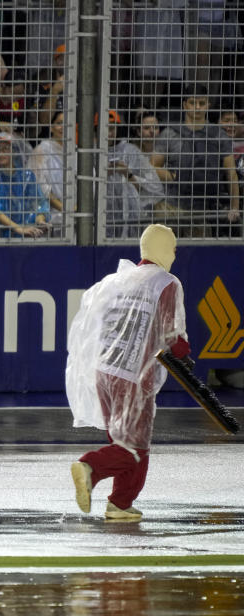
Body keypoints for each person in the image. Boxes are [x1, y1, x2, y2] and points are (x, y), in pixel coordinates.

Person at [66, 224, 190, 522]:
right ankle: (90, 467)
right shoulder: (166, 282)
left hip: (103, 370)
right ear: (163, 249)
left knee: (125, 442)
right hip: (133, 375)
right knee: (134, 447)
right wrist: (184, 355)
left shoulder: (120, 280)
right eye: (172, 247)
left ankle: (120, 503)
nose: (174, 253)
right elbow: (172, 333)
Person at [156, 85, 241, 236]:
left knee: (198, 255)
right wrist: (175, 177)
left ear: (208, 105)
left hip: (203, 210)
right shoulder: (170, 133)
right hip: (171, 206)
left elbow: (231, 174)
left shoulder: (218, 135)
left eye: (202, 103)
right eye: (192, 102)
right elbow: (153, 167)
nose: (197, 107)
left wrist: (235, 207)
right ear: (184, 105)